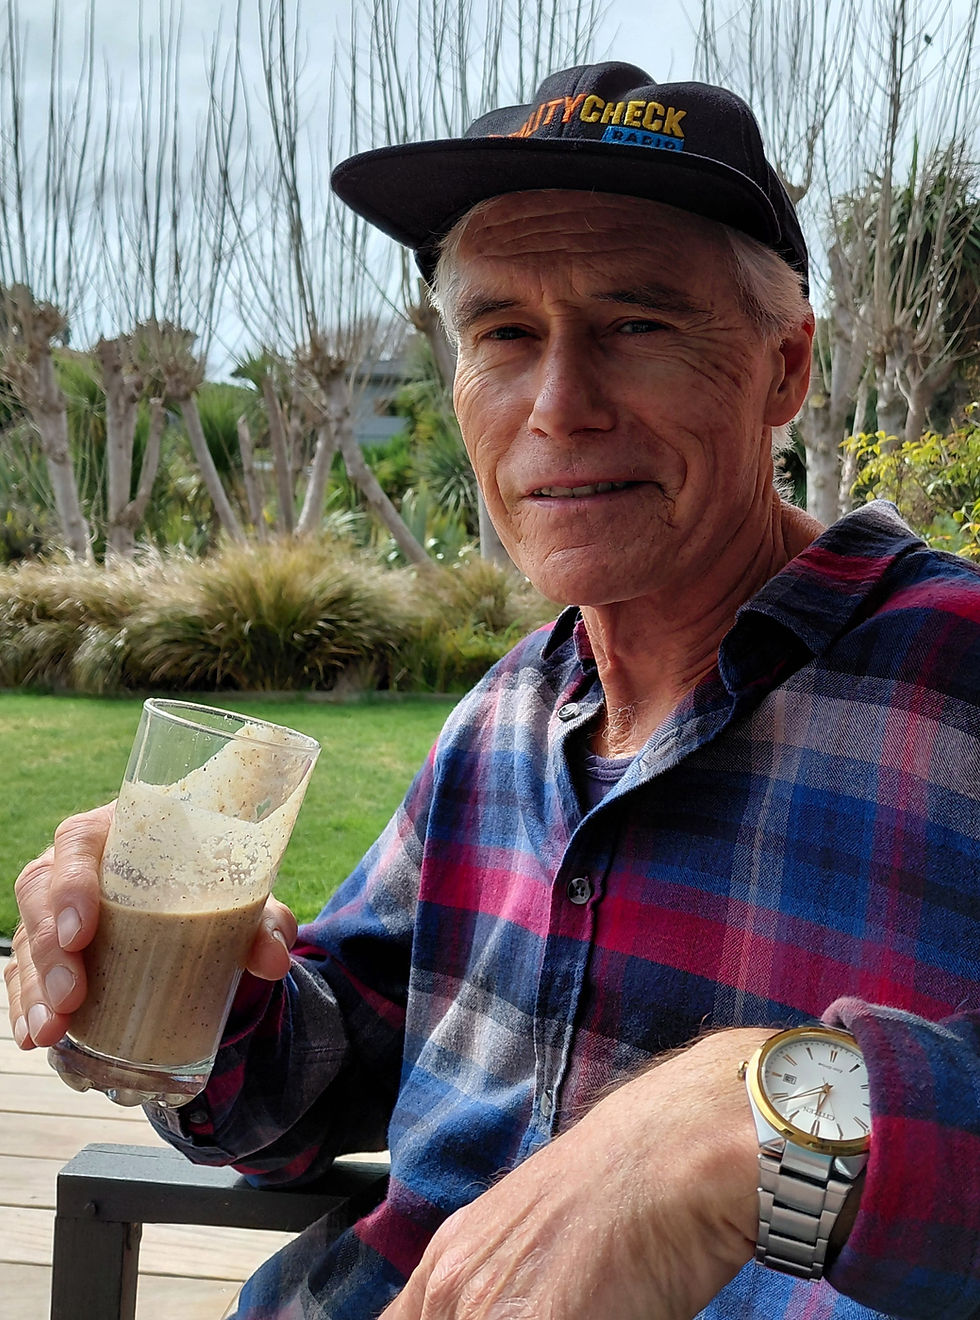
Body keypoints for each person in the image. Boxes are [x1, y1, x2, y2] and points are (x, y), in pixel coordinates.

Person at [7, 61, 980, 1319]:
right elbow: (311, 1083)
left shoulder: (951, 672)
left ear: (783, 368)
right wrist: (171, 977)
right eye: (504, 335)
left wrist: (752, 1118)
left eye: (636, 326)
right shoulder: (507, 714)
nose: (558, 408)